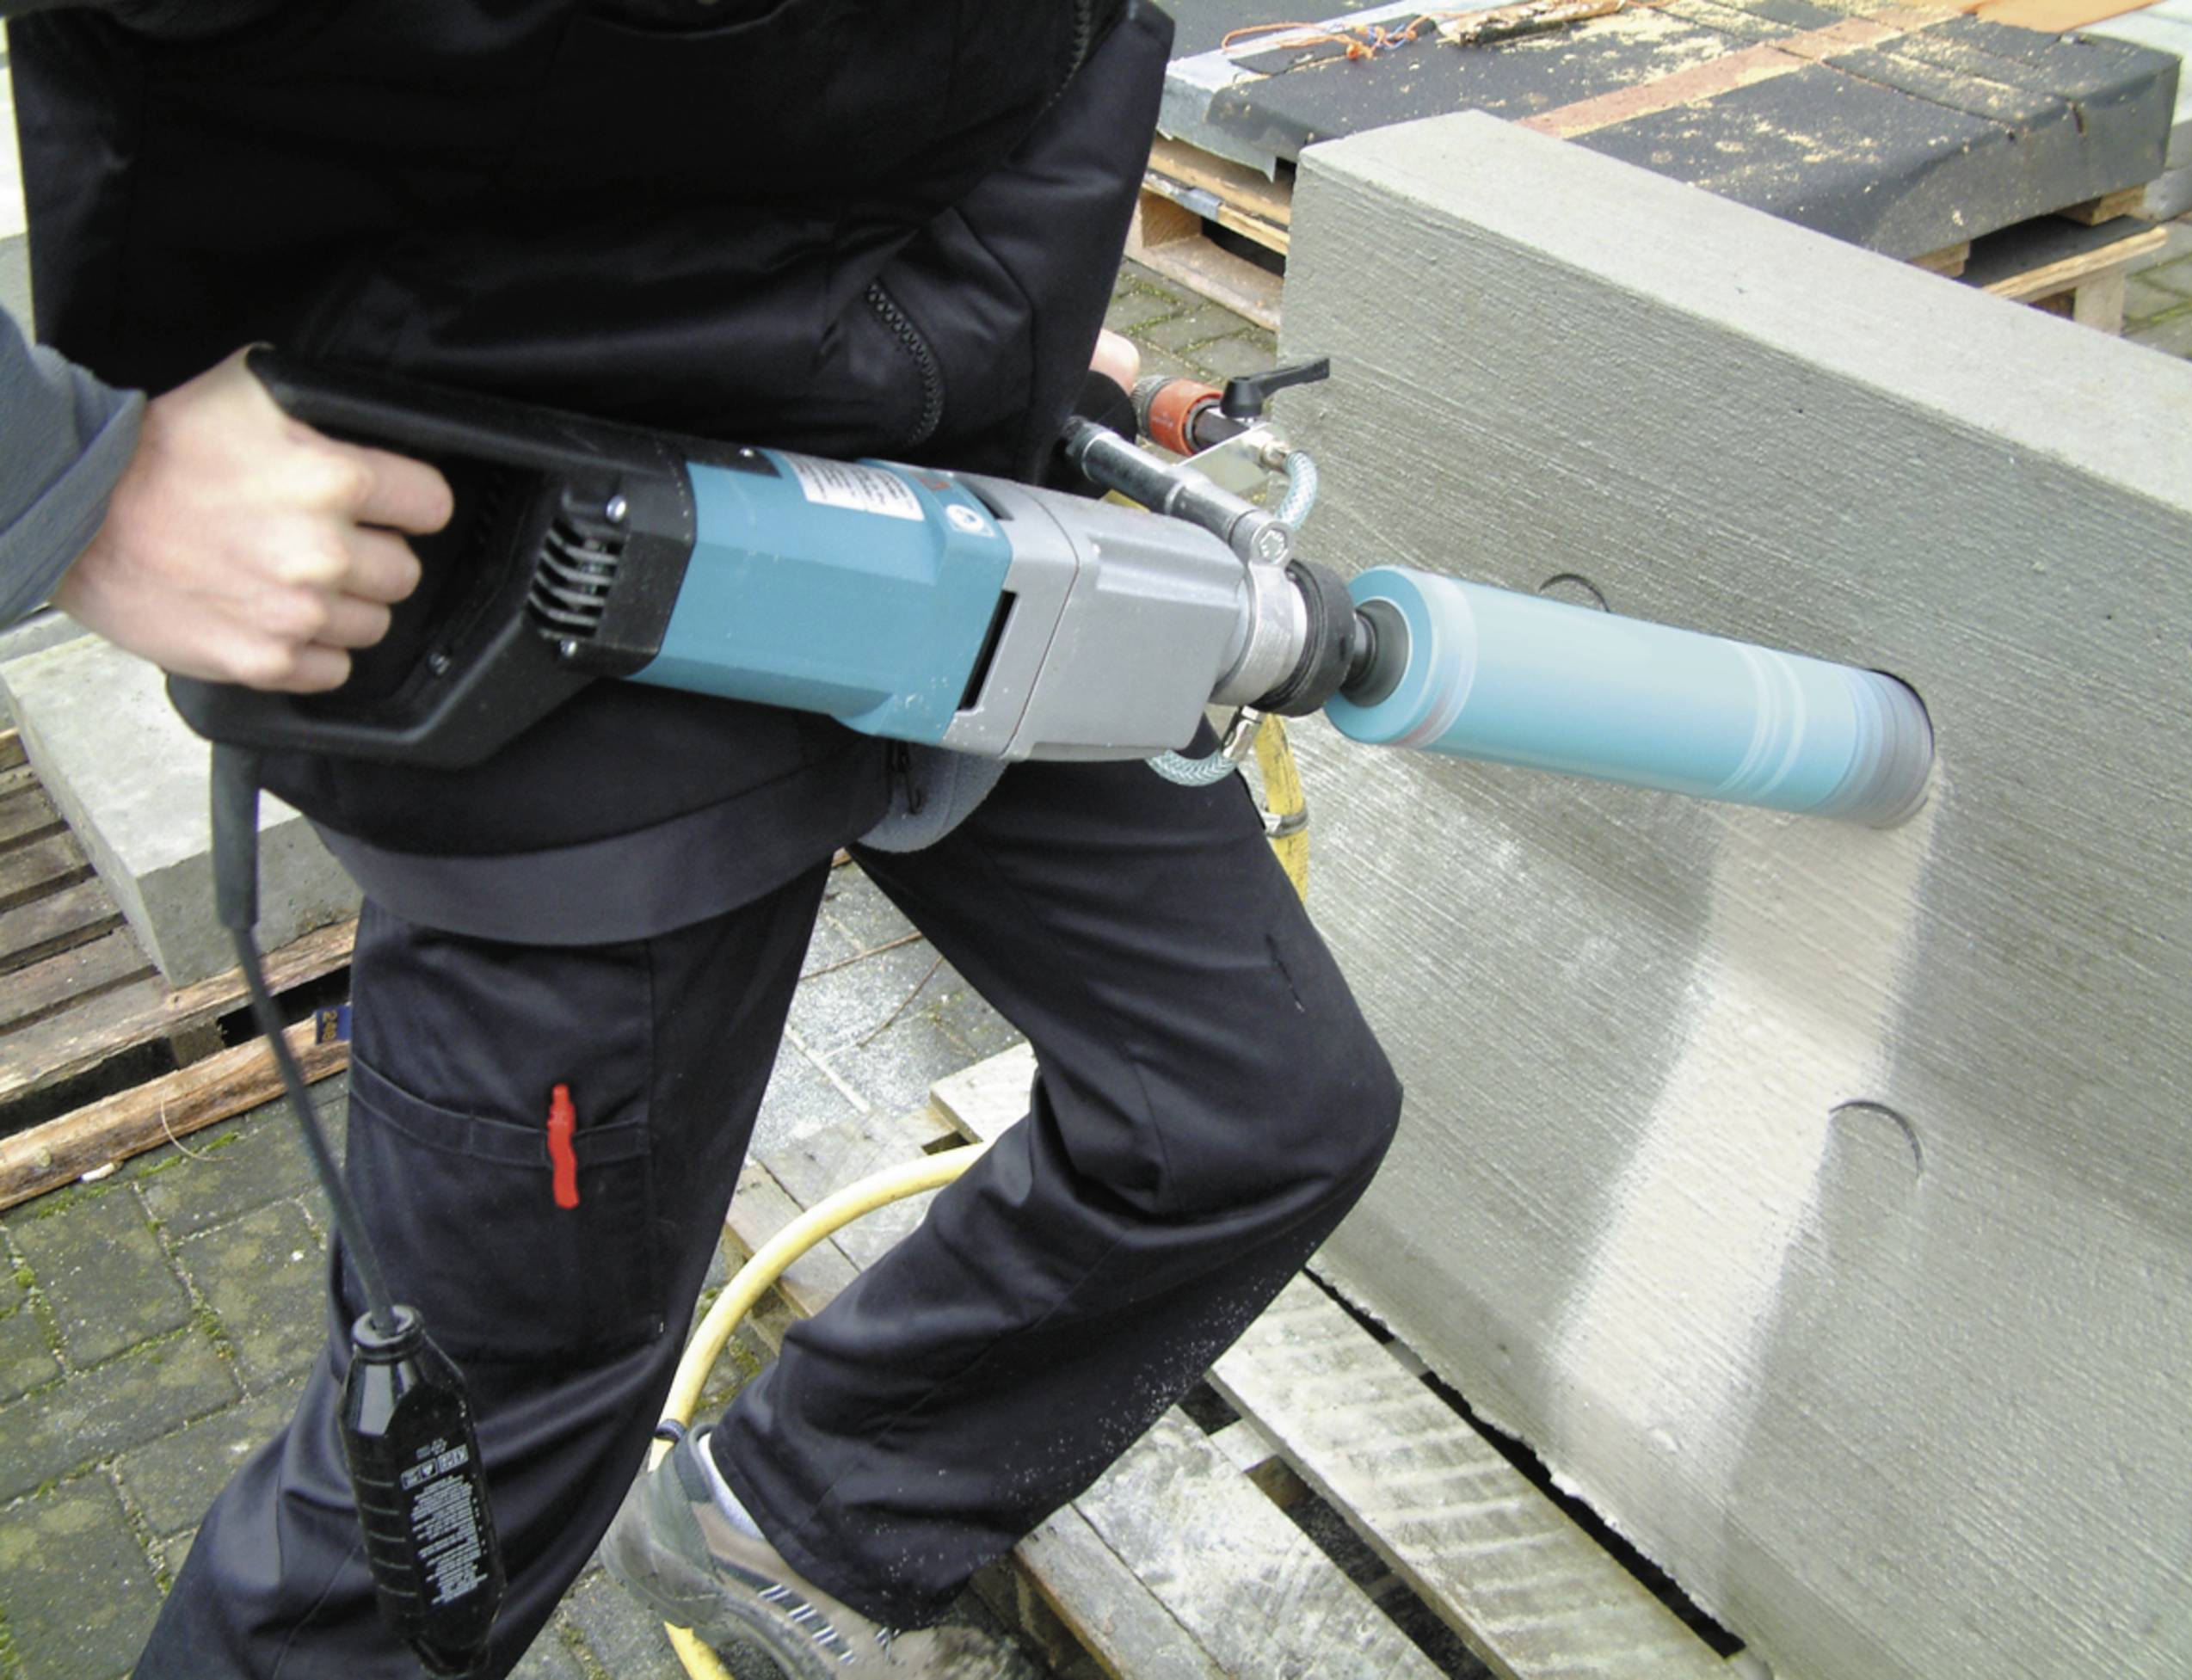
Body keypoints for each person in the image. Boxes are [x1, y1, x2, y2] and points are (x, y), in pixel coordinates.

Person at [1, 3, 1404, 1674]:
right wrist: (72, 476)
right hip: (537, 622)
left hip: (945, 528)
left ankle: (804, 1512)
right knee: (476, 1478)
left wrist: (1007, 300)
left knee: (1256, 1109)